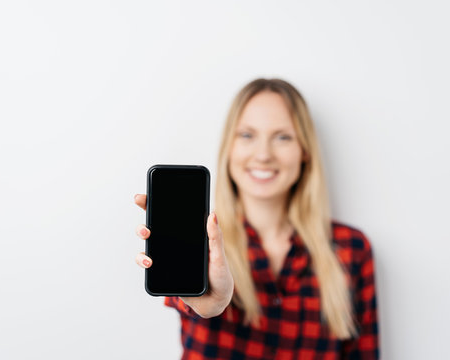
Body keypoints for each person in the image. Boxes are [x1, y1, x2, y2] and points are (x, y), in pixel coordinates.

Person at [134, 78, 379, 359]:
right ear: (229, 149)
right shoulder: (199, 239)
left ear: (305, 151)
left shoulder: (352, 249)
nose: (263, 154)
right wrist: (207, 301)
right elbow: (191, 303)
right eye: (247, 135)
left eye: (283, 137)